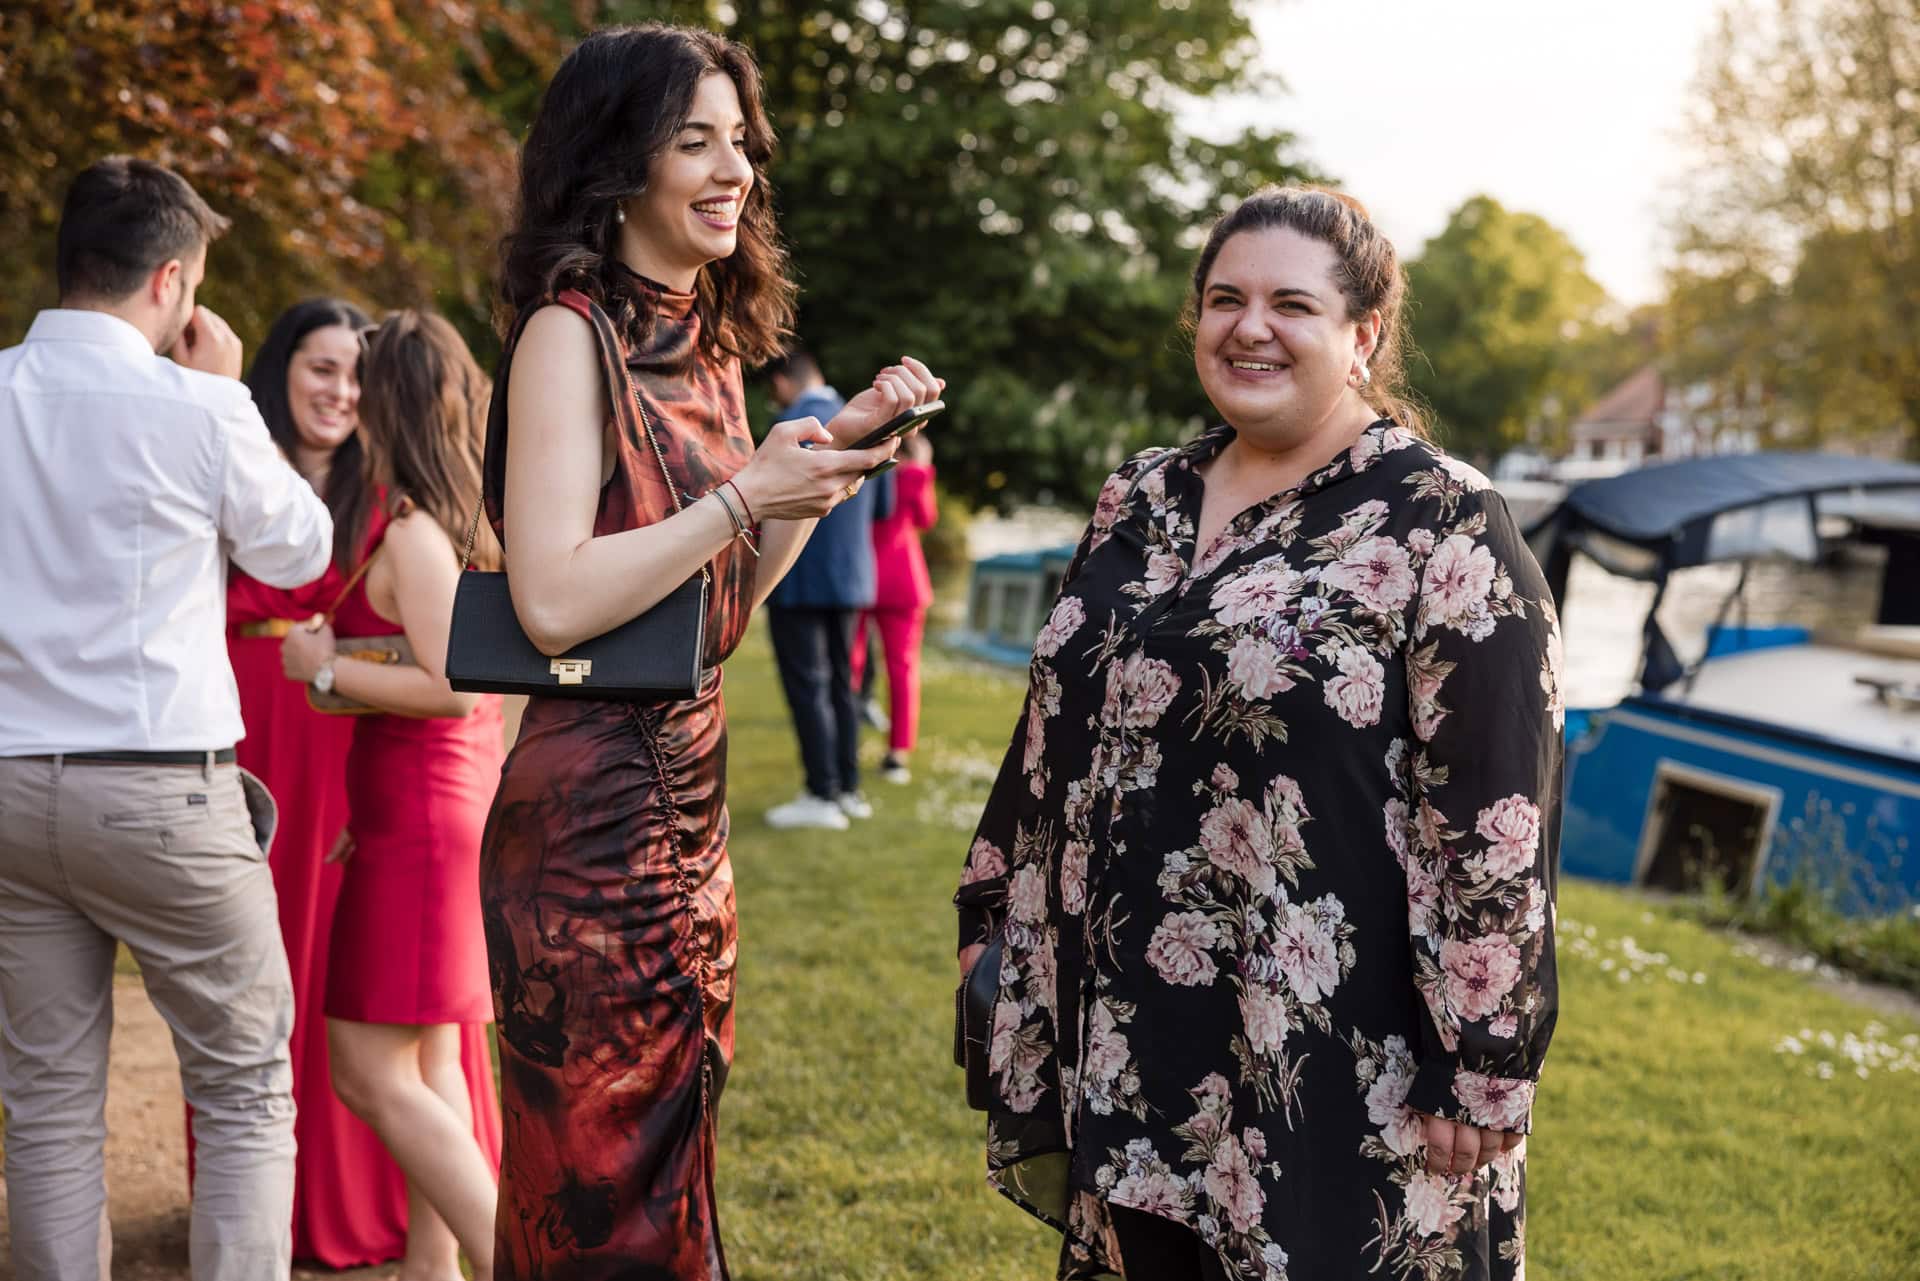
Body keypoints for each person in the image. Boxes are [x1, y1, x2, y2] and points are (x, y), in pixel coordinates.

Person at [953, 186, 1561, 1281]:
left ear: (1362, 334)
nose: (1250, 327)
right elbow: (1055, 717)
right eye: (1224, 299)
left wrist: (1481, 1058)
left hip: (1330, 1045)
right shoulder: (1140, 493)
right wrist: (996, 900)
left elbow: (1493, 811)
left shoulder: (1443, 521)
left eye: (1292, 303)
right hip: (1132, 1022)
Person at [477, 24, 942, 1279]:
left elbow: (716, 604)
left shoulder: (716, 346)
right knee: (592, 1195)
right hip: (582, 832)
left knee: (675, 1169)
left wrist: (815, 473)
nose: (734, 168)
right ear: (619, 164)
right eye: (696, 141)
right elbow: (555, 602)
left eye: (742, 141)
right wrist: (744, 498)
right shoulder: (569, 336)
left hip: (691, 810)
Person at [0, 156, 332, 1280]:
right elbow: (301, 548)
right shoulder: (198, 405)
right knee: (243, 1084)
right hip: (158, 785)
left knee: (45, 1103)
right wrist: (231, 391)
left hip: (7, 783)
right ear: (174, 281)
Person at [223, 299, 506, 1269]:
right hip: (407, 810)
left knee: (366, 1071)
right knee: (430, 1059)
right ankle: (438, 1266)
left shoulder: (413, 532)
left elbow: (453, 689)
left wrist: (325, 673)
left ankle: (518, 1259)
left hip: (425, 816)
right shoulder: (426, 522)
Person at [763, 347, 896, 829]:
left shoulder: (792, 426)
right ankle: (848, 788)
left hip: (799, 575)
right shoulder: (862, 419)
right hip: (853, 575)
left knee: (809, 686)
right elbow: (882, 505)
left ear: (782, 381)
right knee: (844, 685)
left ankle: (821, 793)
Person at [849, 429, 938, 784]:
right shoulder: (910, 475)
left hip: (862, 574)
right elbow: (926, 519)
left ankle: (845, 744)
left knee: (851, 665)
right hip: (902, 579)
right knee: (902, 670)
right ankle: (897, 753)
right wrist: (921, 469)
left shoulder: (860, 469)